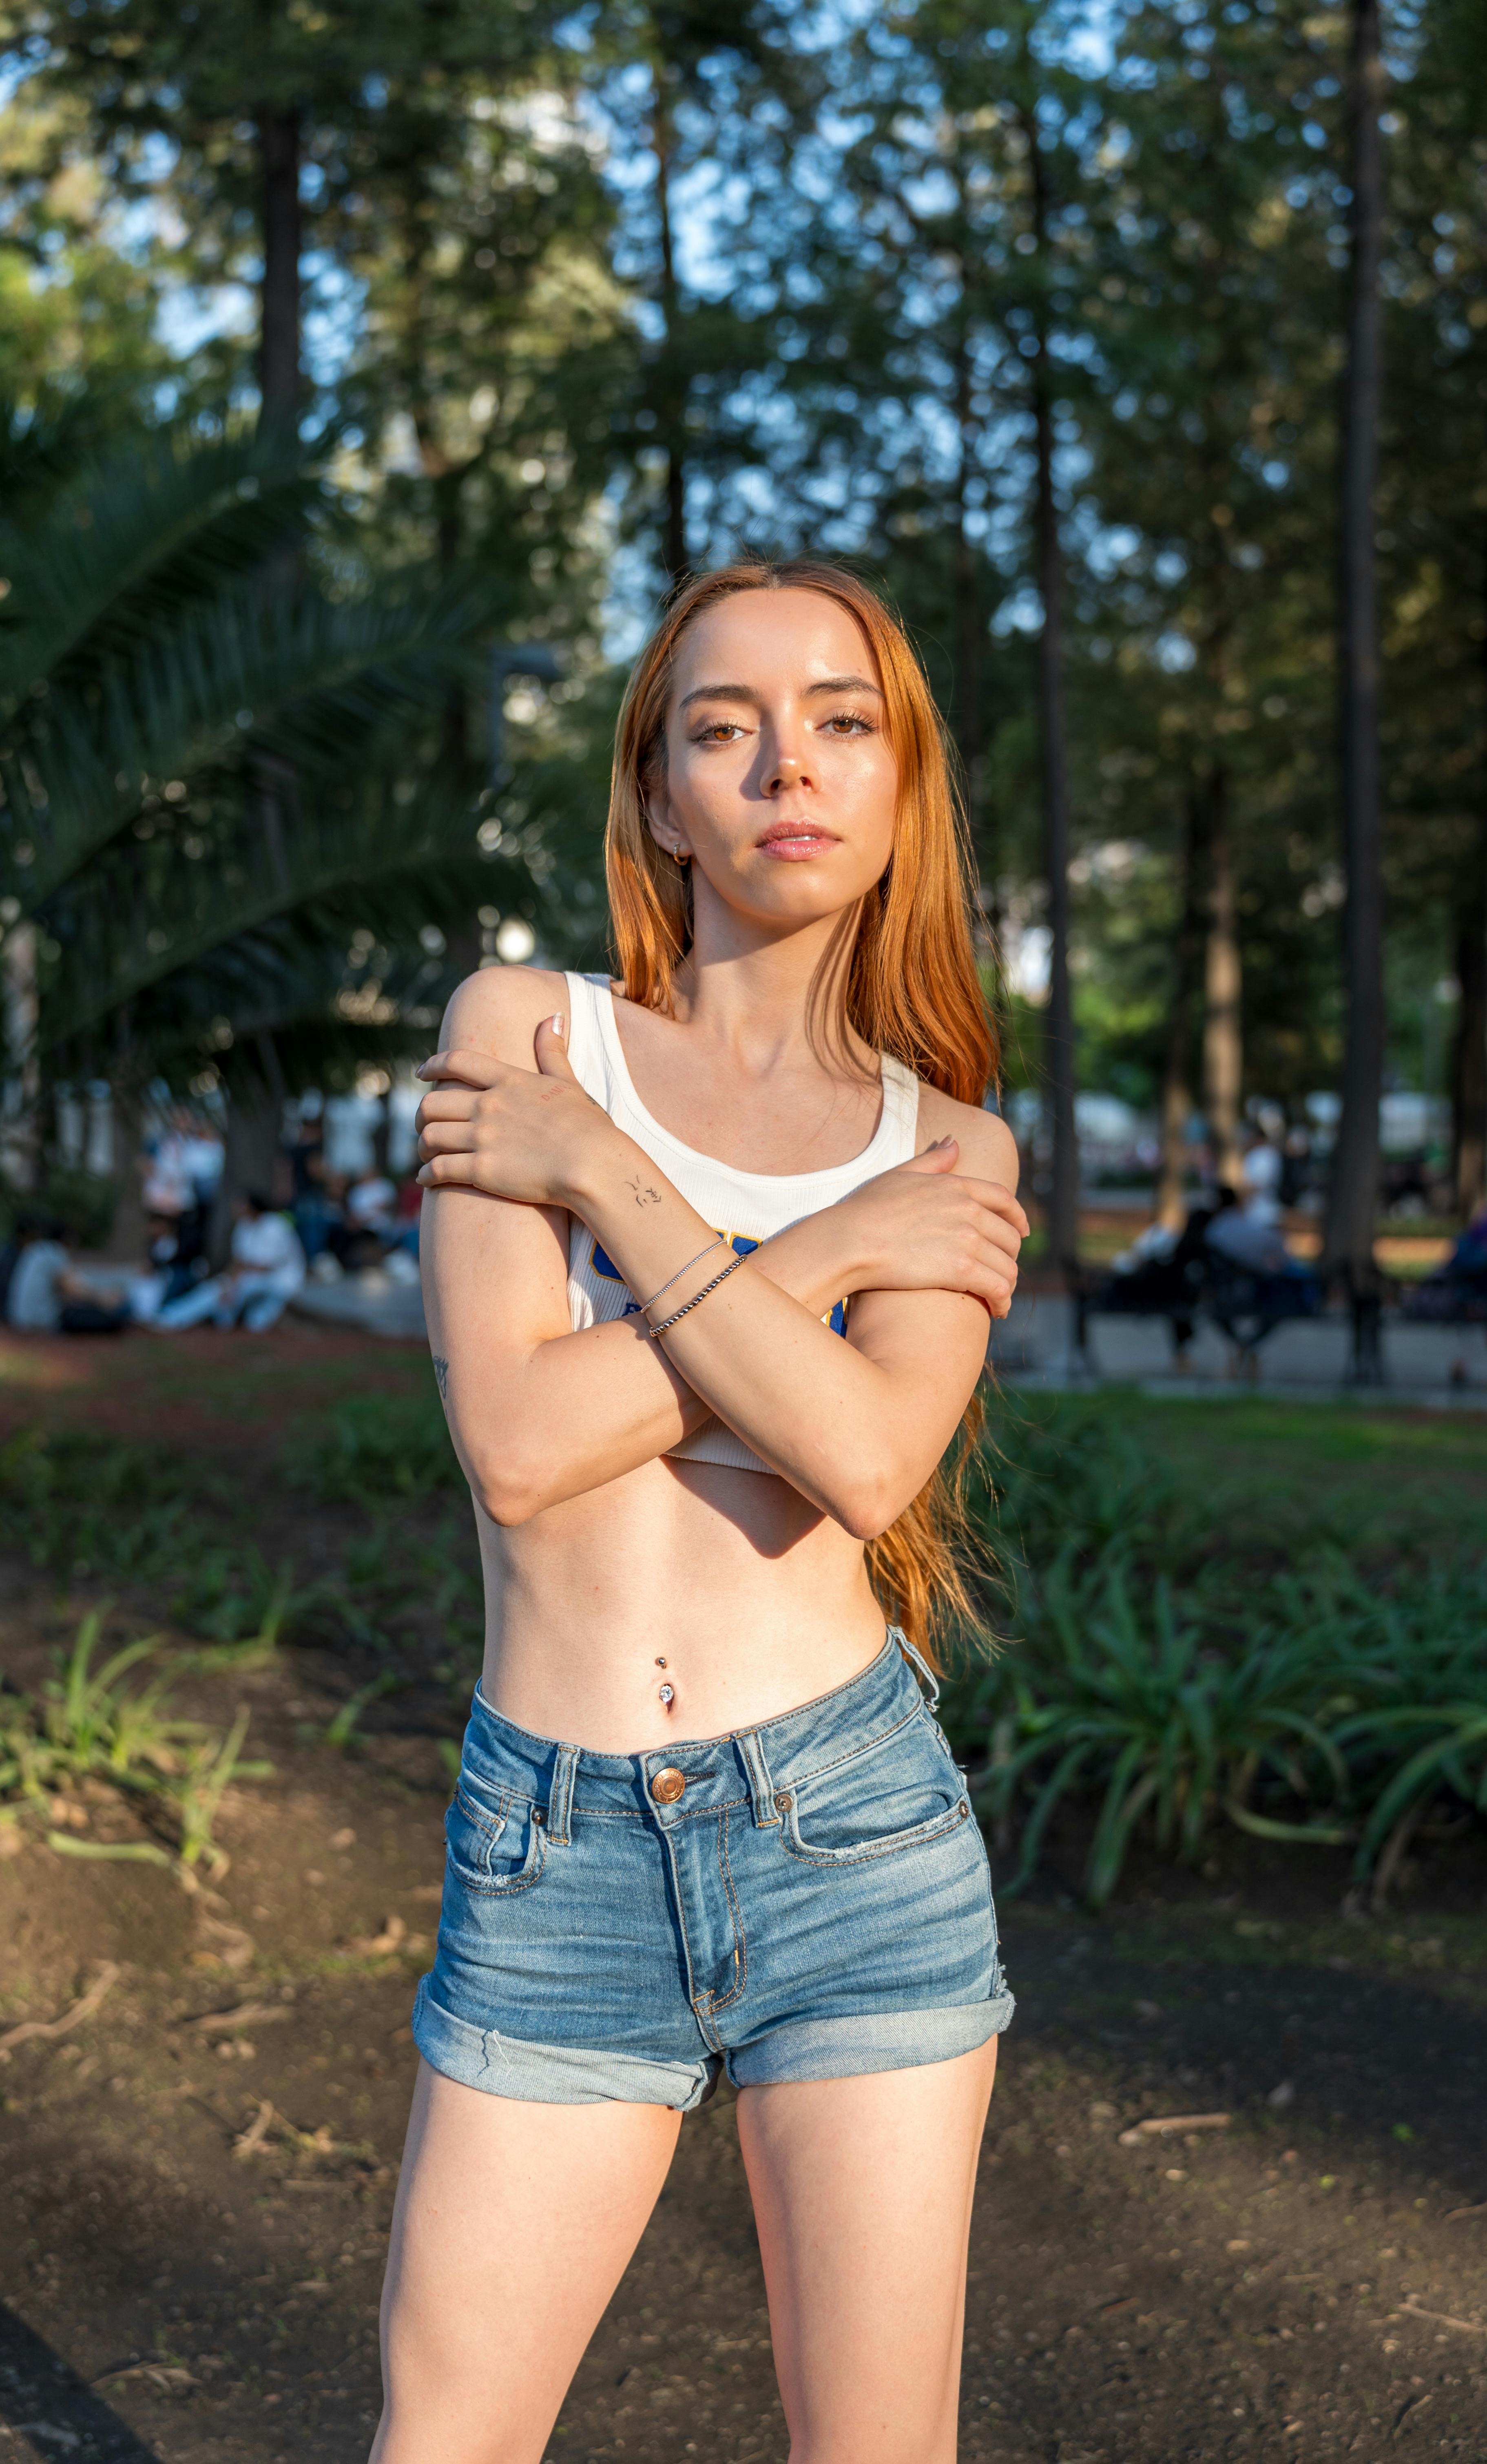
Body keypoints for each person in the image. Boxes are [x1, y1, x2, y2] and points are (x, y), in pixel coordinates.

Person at [376, 560, 1029, 2464]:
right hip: (554, 1848)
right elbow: (511, 1437)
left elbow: (865, 1459)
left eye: (841, 718)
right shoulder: (528, 1033)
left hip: (853, 1836)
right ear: (658, 791)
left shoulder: (953, 1148)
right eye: (720, 725)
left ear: (898, 780)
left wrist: (615, 1199)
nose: (782, 764)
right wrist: (813, 1256)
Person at [154, 1190, 305, 1331]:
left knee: (240, 1299)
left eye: (240, 1205)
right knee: (217, 1290)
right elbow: (239, 1261)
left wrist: (233, 1284)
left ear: (252, 1207)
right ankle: (171, 1317)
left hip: (282, 1279)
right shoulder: (243, 1226)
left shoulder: (275, 1226)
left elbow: (266, 1267)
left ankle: (217, 1323)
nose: (236, 1209)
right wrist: (230, 1281)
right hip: (253, 1277)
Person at [4, 1215, 129, 1333]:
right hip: (41, 1322)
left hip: (19, 1318)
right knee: (113, 1319)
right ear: (68, 1238)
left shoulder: (35, 1249)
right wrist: (103, 1299)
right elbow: (74, 1291)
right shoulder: (54, 1252)